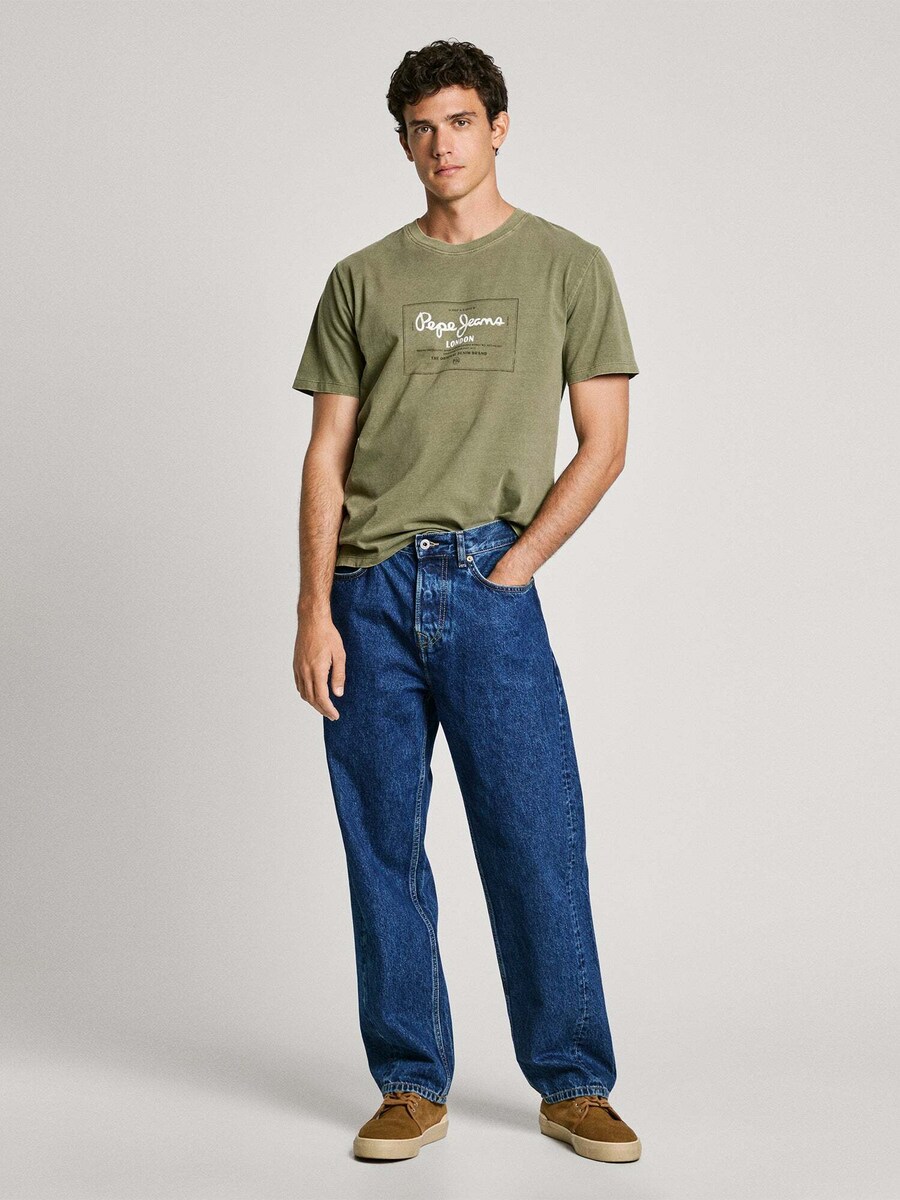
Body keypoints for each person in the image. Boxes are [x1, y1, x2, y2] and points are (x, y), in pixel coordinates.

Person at [291, 38, 642, 1164]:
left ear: (497, 127)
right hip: (367, 593)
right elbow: (326, 453)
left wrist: (516, 566)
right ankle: (409, 1081)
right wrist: (312, 611)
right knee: (382, 844)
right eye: (420, 128)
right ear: (403, 142)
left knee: (536, 835)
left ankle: (574, 1082)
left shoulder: (567, 265)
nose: (440, 144)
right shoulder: (362, 278)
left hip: (489, 580)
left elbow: (604, 443)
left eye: (458, 121)